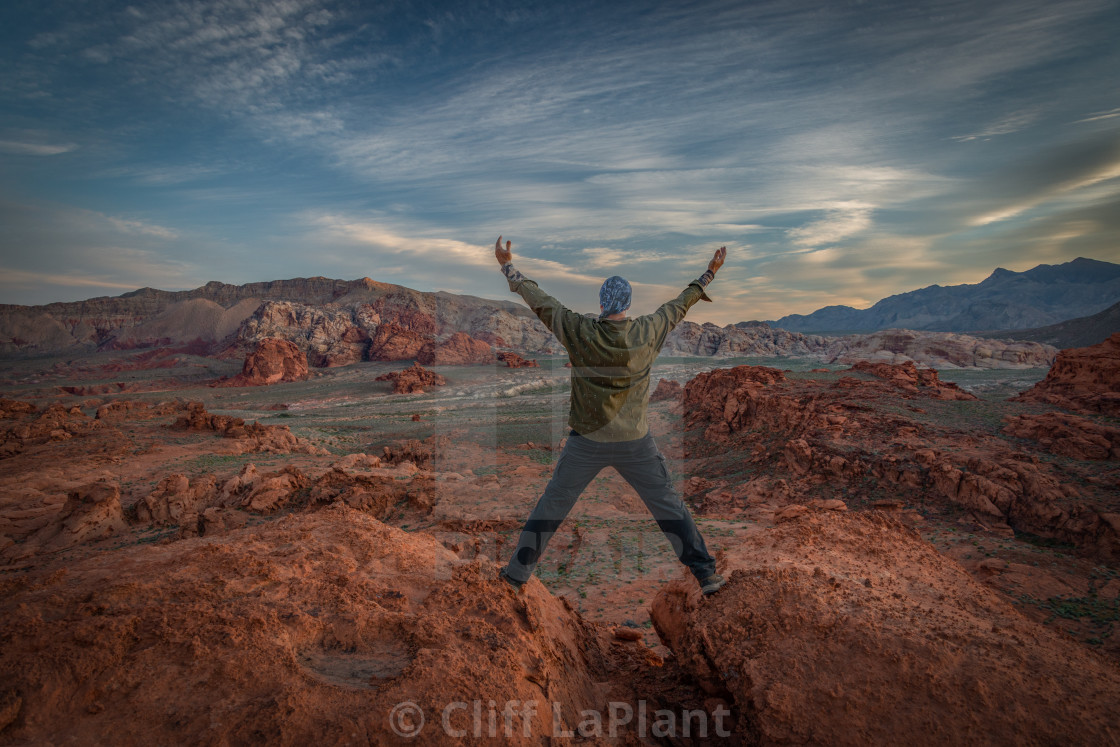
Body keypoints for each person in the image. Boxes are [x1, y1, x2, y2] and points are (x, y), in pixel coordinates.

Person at [493, 235, 728, 596]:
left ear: (602, 301)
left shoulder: (580, 330)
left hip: (587, 442)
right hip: (636, 443)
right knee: (667, 506)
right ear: (628, 303)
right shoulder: (648, 330)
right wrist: (708, 274)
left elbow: (542, 303)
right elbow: (680, 305)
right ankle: (706, 574)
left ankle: (516, 575)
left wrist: (509, 267)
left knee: (552, 505)